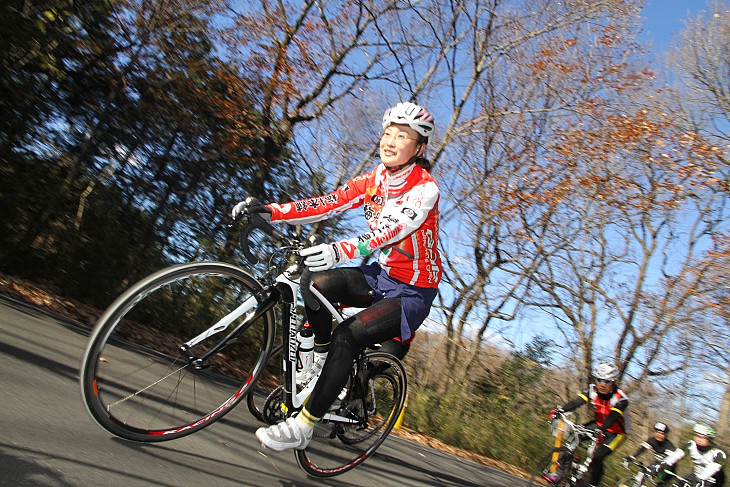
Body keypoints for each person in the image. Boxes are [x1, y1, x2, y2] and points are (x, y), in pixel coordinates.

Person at [232, 101, 442, 451]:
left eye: (401, 136)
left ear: (419, 148)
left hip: (412, 293)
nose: (389, 141)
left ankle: (303, 426)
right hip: (380, 276)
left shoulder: (425, 189)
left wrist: (339, 250)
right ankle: (318, 364)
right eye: (387, 133)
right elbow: (326, 202)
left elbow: (389, 230)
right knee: (315, 285)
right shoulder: (373, 179)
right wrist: (270, 212)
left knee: (349, 334)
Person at [548, 361, 629, 487]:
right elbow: (577, 402)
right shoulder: (592, 389)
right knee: (574, 437)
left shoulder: (621, 398)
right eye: (599, 380)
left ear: (614, 381)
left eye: (607, 381)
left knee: (597, 457)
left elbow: (613, 416)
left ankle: (594, 484)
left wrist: (601, 430)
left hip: (616, 432)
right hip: (598, 424)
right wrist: (560, 410)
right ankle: (560, 471)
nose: (602, 384)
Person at [650, 423, 726, 487]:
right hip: (696, 475)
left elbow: (713, 468)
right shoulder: (691, 445)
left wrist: (700, 478)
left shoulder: (718, 452)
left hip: (713, 480)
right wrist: (663, 464)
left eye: (702, 437)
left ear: (709, 439)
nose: (698, 439)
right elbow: (676, 455)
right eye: (697, 436)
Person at [622, 421, 676, 487]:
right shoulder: (652, 440)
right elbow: (642, 449)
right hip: (657, 463)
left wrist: (659, 467)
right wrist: (632, 457)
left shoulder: (669, 446)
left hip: (668, 469)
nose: (658, 435)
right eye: (657, 432)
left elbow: (669, 461)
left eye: (662, 433)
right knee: (641, 473)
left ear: (666, 435)